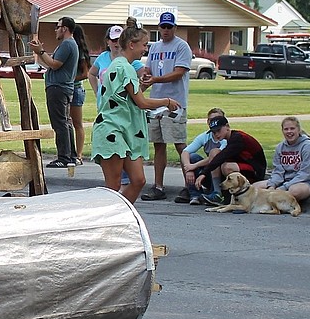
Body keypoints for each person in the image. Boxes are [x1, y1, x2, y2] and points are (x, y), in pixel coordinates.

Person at [91, 25, 180, 204]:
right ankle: (110, 218)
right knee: (113, 185)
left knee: (138, 180)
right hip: (112, 129)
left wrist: (142, 87)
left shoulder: (122, 65)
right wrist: (166, 101)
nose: (145, 49)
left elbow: (130, 98)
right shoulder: (124, 67)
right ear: (132, 44)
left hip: (126, 130)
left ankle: (121, 214)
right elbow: (142, 103)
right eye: (144, 45)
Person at [141, 12, 193, 201]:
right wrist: (146, 76)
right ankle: (158, 186)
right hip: (156, 103)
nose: (165, 30)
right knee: (159, 145)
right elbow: (149, 68)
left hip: (175, 103)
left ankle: (190, 186)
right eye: (163, 26)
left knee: (180, 145)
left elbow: (179, 72)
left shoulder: (181, 46)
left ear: (175, 28)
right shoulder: (155, 47)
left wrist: (156, 79)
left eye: (169, 27)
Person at [30, 17, 80, 168]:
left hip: (58, 87)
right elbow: (50, 63)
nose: (55, 30)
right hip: (63, 87)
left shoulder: (67, 44)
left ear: (64, 28)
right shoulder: (69, 44)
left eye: (57, 27)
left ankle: (63, 157)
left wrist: (41, 51)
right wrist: (40, 53)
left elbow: (54, 64)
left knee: (59, 123)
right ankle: (70, 155)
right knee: (65, 122)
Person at [198, 115, 267, 205]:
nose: (216, 134)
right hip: (243, 166)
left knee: (227, 167)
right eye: (214, 132)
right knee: (214, 152)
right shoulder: (230, 139)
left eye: (218, 130)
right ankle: (217, 193)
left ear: (227, 126)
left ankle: (233, 196)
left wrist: (204, 173)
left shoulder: (238, 138)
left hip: (256, 171)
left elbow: (222, 157)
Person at [262, 116, 310, 202]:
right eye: (286, 129)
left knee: (294, 191)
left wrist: (283, 188)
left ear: (298, 130)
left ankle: (275, 201)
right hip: (285, 180)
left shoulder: (308, 146)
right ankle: (275, 200)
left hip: (308, 182)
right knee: (255, 188)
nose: (289, 132)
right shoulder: (280, 147)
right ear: (282, 131)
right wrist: (272, 185)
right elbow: (278, 171)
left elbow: (305, 174)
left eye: (292, 128)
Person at [178, 107, 229, 204]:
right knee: (192, 157)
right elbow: (185, 152)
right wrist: (188, 169)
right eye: (211, 120)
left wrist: (194, 166)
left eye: (217, 119)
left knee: (213, 156)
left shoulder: (225, 137)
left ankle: (217, 193)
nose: (214, 122)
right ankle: (195, 195)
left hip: (222, 173)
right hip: (209, 172)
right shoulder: (205, 136)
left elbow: (216, 157)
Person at [88, 24, 146, 102]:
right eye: (114, 40)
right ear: (108, 41)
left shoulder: (131, 61)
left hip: (121, 107)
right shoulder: (102, 57)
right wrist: (97, 92)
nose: (117, 43)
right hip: (104, 104)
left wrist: (137, 92)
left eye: (120, 40)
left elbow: (146, 77)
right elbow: (91, 74)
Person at [69, 25, 91, 165]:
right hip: (68, 89)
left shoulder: (79, 51)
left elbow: (85, 74)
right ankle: (69, 152)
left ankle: (79, 154)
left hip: (76, 89)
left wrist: (70, 79)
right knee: (67, 123)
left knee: (77, 123)